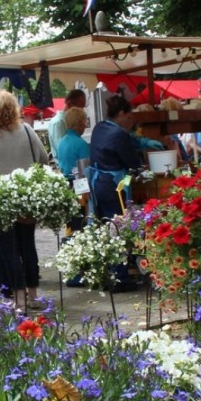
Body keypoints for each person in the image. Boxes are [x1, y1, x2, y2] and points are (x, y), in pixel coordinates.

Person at [0, 90, 49, 309]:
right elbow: (43, 158)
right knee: (28, 246)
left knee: (9, 249)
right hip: (26, 199)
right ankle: (33, 295)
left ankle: (19, 299)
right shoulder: (26, 130)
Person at [88, 95, 165, 291]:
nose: (131, 121)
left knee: (107, 227)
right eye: (129, 117)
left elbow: (128, 140)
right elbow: (133, 161)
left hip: (98, 184)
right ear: (121, 114)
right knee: (118, 228)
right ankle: (119, 278)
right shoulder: (118, 134)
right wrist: (144, 165)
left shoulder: (99, 127)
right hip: (114, 186)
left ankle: (109, 274)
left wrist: (143, 141)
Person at [55, 106, 91, 234]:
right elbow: (85, 172)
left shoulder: (61, 142)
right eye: (84, 122)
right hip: (79, 186)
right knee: (81, 222)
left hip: (66, 185)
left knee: (70, 221)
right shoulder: (81, 144)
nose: (85, 126)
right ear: (79, 123)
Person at [48, 89, 87, 154]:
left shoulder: (67, 121)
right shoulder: (59, 123)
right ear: (70, 104)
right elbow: (63, 151)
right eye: (80, 107)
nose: (82, 110)